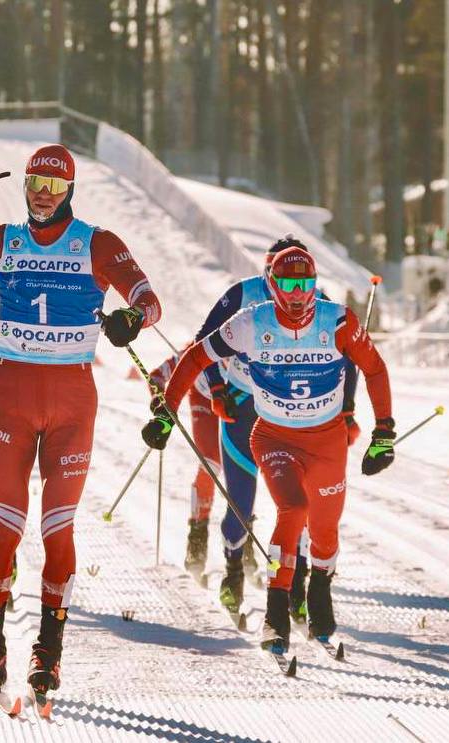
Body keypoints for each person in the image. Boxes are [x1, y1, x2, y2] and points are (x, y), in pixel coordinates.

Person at [0, 144, 162, 699]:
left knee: (58, 528)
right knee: (6, 522)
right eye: (35, 184)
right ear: (24, 186)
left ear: (70, 190)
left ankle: (48, 656)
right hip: (12, 398)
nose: (43, 195)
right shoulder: (6, 241)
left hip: (74, 401)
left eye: (54, 186)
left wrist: (131, 317)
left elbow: (149, 300)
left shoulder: (98, 244)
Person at [142, 247, 394, 653]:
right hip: (273, 436)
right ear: (271, 285)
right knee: (291, 509)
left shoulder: (337, 320)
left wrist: (384, 432)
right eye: (288, 284)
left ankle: (319, 594)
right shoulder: (250, 320)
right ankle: (274, 613)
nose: (297, 294)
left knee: (324, 533)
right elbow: (193, 356)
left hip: (326, 442)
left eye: (305, 285)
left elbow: (374, 368)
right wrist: (166, 415)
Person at [188, 236, 360, 620]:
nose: (290, 289)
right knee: (241, 498)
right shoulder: (243, 295)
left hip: (295, 414)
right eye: (276, 274)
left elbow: (350, 359)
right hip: (242, 403)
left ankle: (295, 587)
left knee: (298, 503)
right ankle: (233, 575)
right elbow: (203, 341)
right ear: (267, 270)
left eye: (301, 280)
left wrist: (346, 410)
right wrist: (217, 388)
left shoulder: (319, 302)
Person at [148, 349, 219, 582]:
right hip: (204, 399)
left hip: (239, 399)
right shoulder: (203, 345)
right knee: (211, 464)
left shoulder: (252, 336)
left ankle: (243, 547)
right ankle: (197, 537)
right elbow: (158, 374)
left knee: (247, 466)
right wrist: (159, 396)